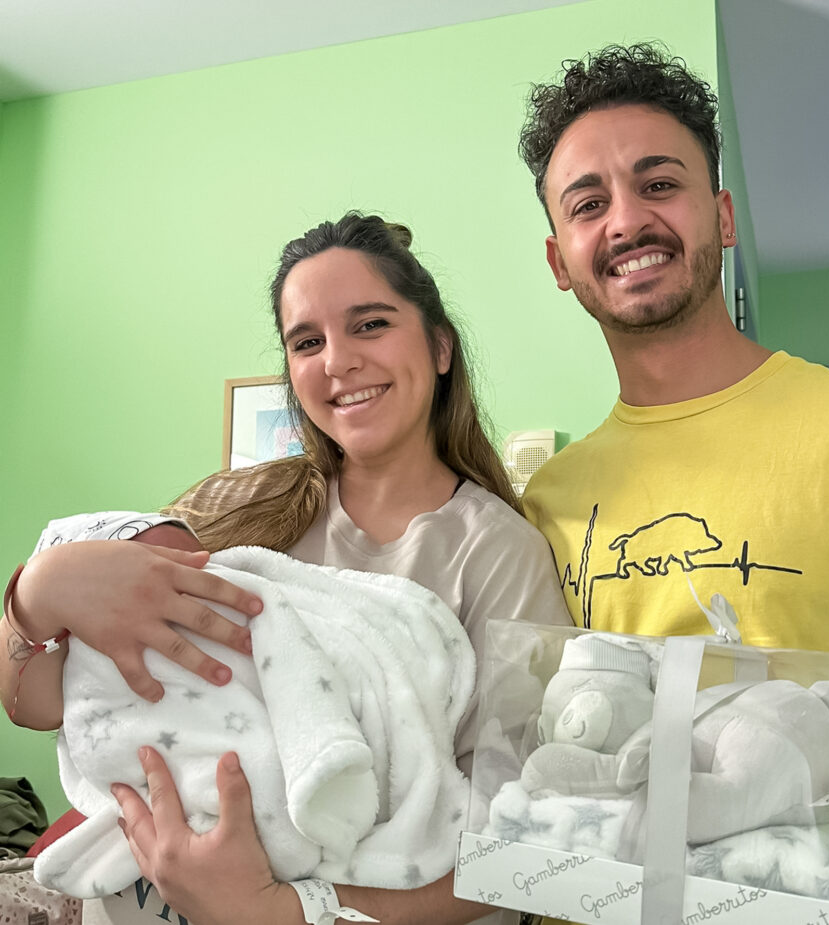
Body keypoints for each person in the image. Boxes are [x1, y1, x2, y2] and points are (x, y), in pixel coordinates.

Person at [516, 43, 829, 925]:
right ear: (561, 258)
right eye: (589, 203)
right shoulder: (546, 502)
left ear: (722, 215)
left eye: (659, 184)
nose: (628, 221)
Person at [0, 212, 572, 925]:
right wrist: (36, 594)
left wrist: (288, 911)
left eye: (369, 325)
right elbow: (45, 704)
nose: (337, 360)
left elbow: (527, 849)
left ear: (441, 345)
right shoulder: (229, 514)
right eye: (308, 341)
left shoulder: (497, 553)